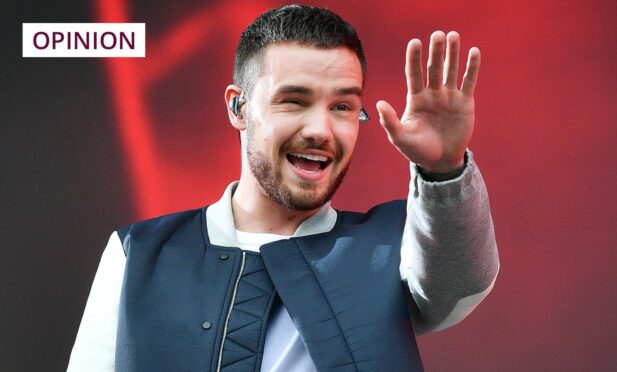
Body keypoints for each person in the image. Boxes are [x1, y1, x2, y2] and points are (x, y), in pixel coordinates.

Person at [68, 4, 499, 371]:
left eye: (343, 107)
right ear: (238, 107)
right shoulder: (138, 251)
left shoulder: (392, 245)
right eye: (294, 100)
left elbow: (459, 285)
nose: (321, 130)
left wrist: (444, 169)